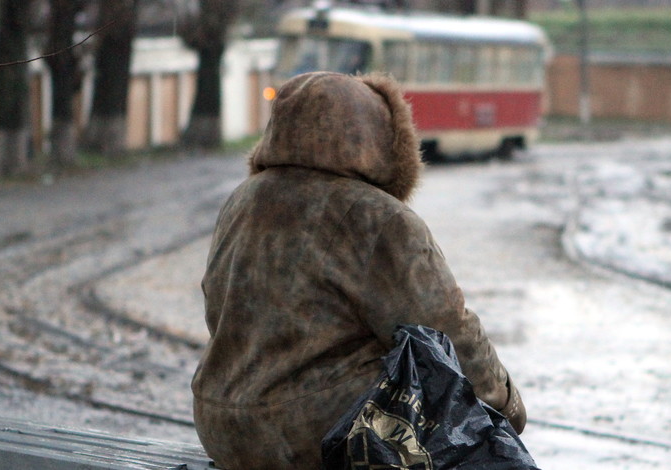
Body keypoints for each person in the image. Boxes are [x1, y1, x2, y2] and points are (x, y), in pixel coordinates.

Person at [191, 71, 526, 469]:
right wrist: (509, 407)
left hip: (220, 423)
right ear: (380, 138)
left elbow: (218, 310)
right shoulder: (380, 218)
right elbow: (447, 337)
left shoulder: (243, 199)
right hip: (319, 436)